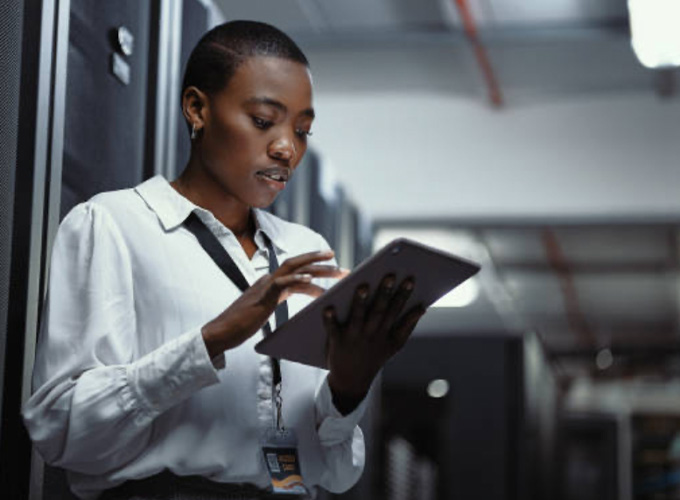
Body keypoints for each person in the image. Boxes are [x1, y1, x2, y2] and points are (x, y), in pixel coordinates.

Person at [22, 20, 426, 500]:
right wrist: (210, 340)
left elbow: (337, 472)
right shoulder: (114, 225)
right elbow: (61, 429)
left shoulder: (305, 249)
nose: (286, 149)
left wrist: (349, 387)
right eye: (262, 121)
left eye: (302, 131)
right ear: (197, 108)